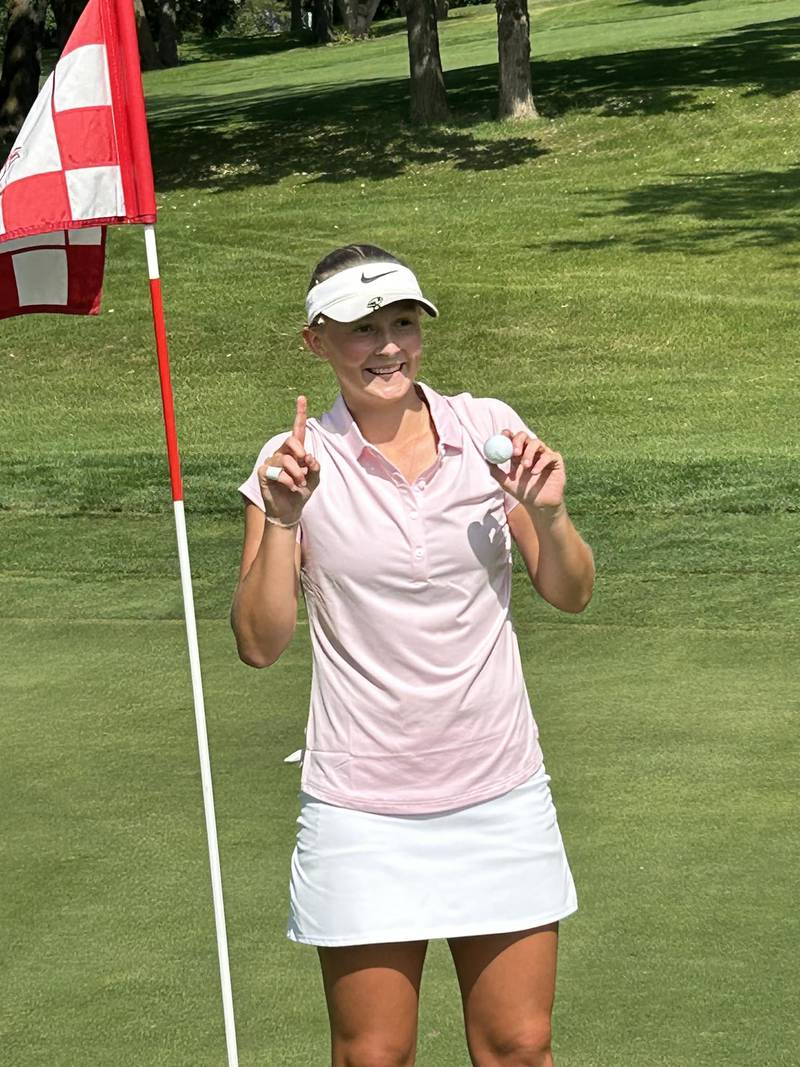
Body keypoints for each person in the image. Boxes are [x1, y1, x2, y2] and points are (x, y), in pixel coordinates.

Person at [231, 244, 595, 1067]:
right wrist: (286, 518)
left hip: (499, 789)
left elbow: (570, 591)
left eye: (403, 323)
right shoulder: (290, 462)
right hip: (362, 805)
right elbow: (259, 643)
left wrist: (553, 513)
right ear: (315, 340)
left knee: (520, 1043)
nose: (388, 345)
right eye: (362, 329)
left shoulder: (491, 430)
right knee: (373, 1054)